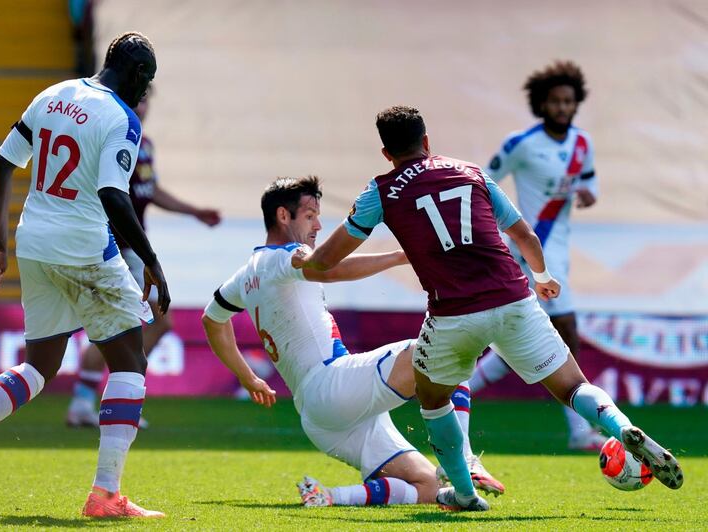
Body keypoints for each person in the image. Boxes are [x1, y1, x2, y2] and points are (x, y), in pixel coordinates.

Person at [293, 106, 683, 512]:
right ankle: (622, 428)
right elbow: (526, 235)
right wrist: (543, 275)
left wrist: (308, 259)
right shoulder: (471, 172)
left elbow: (325, 261)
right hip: (514, 298)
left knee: (432, 397)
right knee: (571, 386)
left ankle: (463, 493)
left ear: (386, 153)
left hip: (452, 314)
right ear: (427, 142)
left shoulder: (382, 191)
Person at [0, 32, 170, 518]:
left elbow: (1, 164)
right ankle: (106, 495)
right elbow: (115, 196)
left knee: (39, 366)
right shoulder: (123, 119)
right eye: (148, 81)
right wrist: (152, 262)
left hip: (34, 242)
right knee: (131, 363)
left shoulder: (53, 94)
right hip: (83, 247)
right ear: (139, 76)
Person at [201, 176, 504, 509]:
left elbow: (212, 319)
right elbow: (325, 269)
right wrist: (401, 256)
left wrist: (248, 377)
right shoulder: (284, 256)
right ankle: (464, 458)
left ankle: (329, 496)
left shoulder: (247, 273)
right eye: (310, 215)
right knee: (444, 349)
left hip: (318, 415)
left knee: (429, 486)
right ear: (283, 216)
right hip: (333, 385)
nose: (318, 224)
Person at [66, 87, 221, 428]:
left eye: (147, 99)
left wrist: (193, 211)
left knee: (146, 323)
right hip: (115, 248)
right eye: (137, 98)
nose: (143, 105)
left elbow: (150, 192)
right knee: (133, 326)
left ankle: (88, 400)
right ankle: (112, 395)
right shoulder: (110, 138)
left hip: (136, 251)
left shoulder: (144, 144)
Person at [470, 60, 604, 450]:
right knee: (565, 333)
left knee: (521, 337)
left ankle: (461, 389)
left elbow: (589, 182)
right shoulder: (522, 144)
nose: (563, 108)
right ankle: (581, 430)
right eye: (555, 101)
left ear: (576, 103)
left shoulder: (583, 145)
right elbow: (481, 181)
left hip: (561, 251)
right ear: (541, 104)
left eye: (568, 101)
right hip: (532, 252)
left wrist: (587, 194)